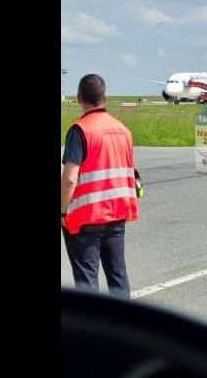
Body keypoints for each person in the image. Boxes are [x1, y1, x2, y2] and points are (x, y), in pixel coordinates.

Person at [61, 74, 141, 299]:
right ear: (104, 97)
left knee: (87, 278)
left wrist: (62, 210)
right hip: (117, 213)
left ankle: (91, 330)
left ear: (79, 98)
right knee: (117, 274)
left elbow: (69, 178)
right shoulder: (123, 130)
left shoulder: (80, 130)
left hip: (86, 217)